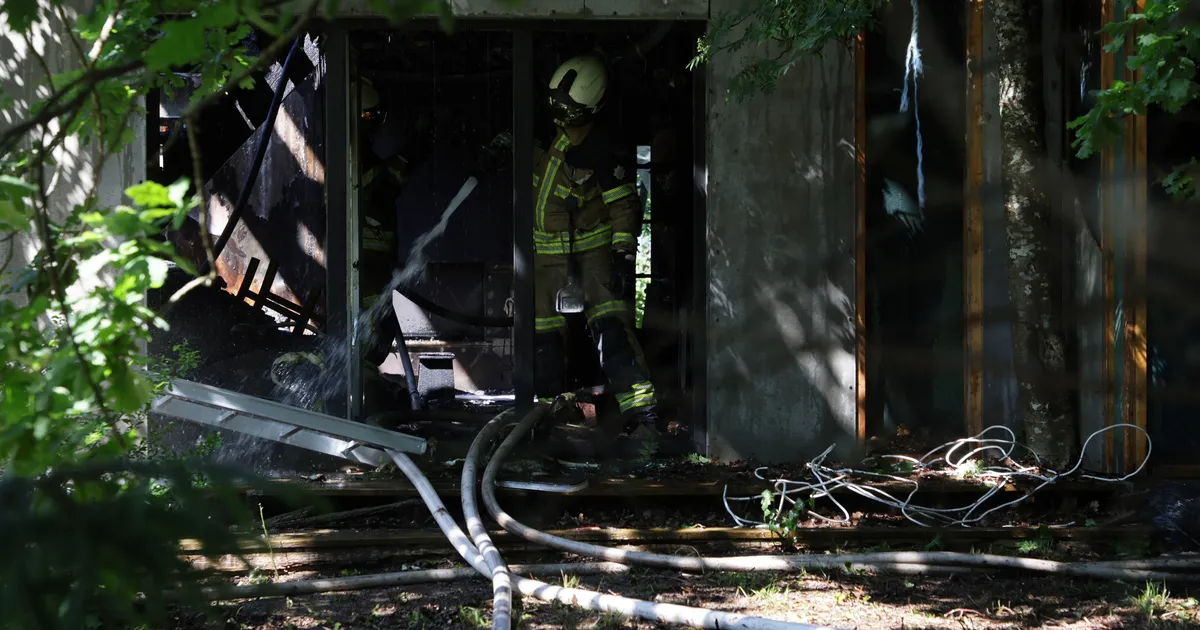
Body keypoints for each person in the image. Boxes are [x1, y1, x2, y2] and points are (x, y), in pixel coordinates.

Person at [531, 54, 661, 455]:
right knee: (542, 339)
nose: (561, 117)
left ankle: (643, 415)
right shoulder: (550, 133)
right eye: (556, 108)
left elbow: (624, 207)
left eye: (569, 112)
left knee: (611, 332)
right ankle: (550, 413)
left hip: (592, 257)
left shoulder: (603, 149)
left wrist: (623, 256)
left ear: (591, 110)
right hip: (545, 258)